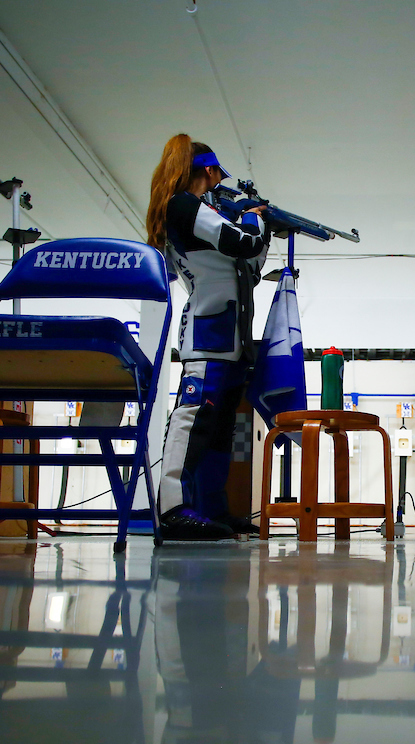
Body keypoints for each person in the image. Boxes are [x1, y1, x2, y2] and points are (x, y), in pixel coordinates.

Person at [147, 134, 270, 540]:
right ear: (209, 171)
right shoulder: (184, 204)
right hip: (208, 333)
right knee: (193, 417)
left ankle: (212, 507)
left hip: (229, 333)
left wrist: (257, 225)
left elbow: (248, 263)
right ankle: (173, 507)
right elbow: (244, 241)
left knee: (219, 428)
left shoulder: (196, 210)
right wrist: (253, 218)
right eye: (217, 176)